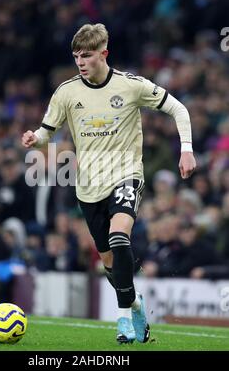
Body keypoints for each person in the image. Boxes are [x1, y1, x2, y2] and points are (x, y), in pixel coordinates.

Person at [22, 23, 196, 344]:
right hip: (88, 186)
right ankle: (135, 305)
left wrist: (186, 150)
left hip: (126, 174)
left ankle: (123, 320)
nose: (81, 62)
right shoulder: (66, 92)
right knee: (109, 260)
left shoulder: (131, 86)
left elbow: (178, 108)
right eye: (76, 56)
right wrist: (36, 138)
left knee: (119, 238)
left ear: (104, 53)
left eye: (86, 55)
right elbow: (48, 129)